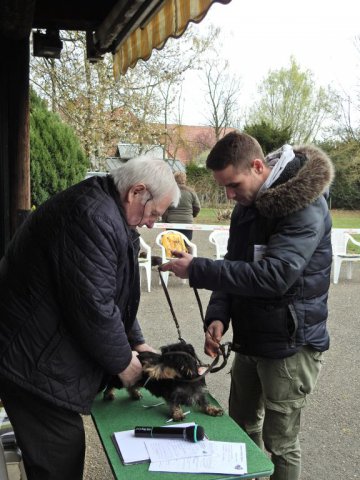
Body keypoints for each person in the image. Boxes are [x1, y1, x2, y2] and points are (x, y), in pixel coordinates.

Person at [161, 131, 334, 480]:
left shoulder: (305, 205)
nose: (229, 195)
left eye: (234, 185)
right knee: (241, 426)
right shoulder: (248, 204)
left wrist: (197, 268)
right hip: (251, 340)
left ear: (258, 166)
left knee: (280, 443)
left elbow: (274, 275)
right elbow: (234, 262)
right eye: (224, 187)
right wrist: (218, 315)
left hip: (290, 345)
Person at [0, 155, 180, 480]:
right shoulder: (92, 216)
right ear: (136, 191)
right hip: (31, 362)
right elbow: (94, 307)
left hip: (36, 352)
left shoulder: (106, 210)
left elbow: (113, 296)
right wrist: (123, 362)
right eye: (153, 213)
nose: (153, 223)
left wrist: (136, 340)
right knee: (59, 459)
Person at [161, 171, 201, 240]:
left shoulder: (169, 191)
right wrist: (192, 215)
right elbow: (197, 208)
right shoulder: (191, 191)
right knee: (186, 244)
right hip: (187, 223)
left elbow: (164, 208)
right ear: (184, 179)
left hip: (172, 222)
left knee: (171, 244)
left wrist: (165, 220)